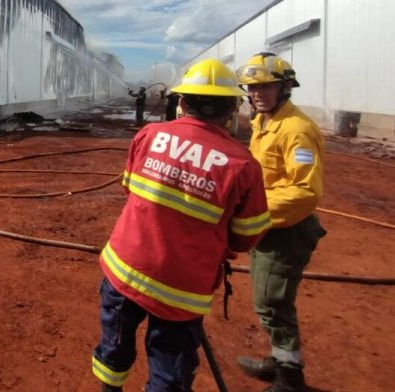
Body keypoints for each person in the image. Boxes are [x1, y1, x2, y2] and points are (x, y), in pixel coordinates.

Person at [92, 59, 271, 392]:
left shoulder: (149, 135)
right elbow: (247, 236)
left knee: (113, 349)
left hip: (124, 269)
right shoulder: (243, 165)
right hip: (182, 289)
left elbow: (130, 187)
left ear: (183, 102)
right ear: (231, 107)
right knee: (169, 373)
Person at [235, 53, 326, 392]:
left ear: (286, 86)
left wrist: (250, 210)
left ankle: (290, 376)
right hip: (267, 225)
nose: (258, 93)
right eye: (253, 87)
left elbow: (304, 192)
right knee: (266, 298)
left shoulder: (297, 130)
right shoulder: (264, 122)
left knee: (274, 302)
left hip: (285, 229)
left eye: (267, 86)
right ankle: (278, 359)